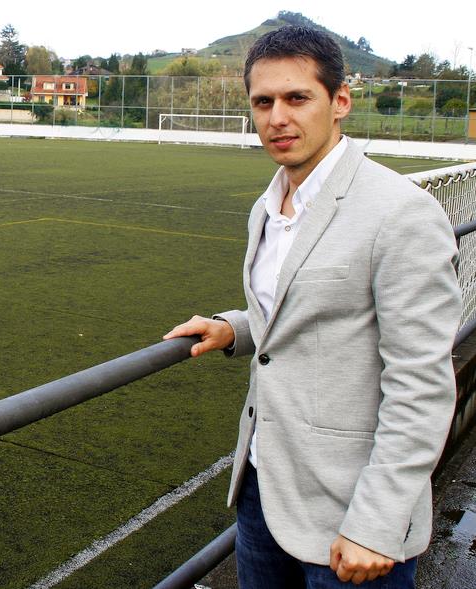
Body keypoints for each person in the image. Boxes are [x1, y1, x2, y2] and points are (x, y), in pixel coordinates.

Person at [163, 26, 461, 588]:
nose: (278, 117)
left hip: (351, 514)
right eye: (263, 101)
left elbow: (422, 383)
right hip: (263, 488)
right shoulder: (269, 204)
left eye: (297, 98)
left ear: (339, 101)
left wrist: (376, 523)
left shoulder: (402, 214)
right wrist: (237, 328)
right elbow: (315, 311)